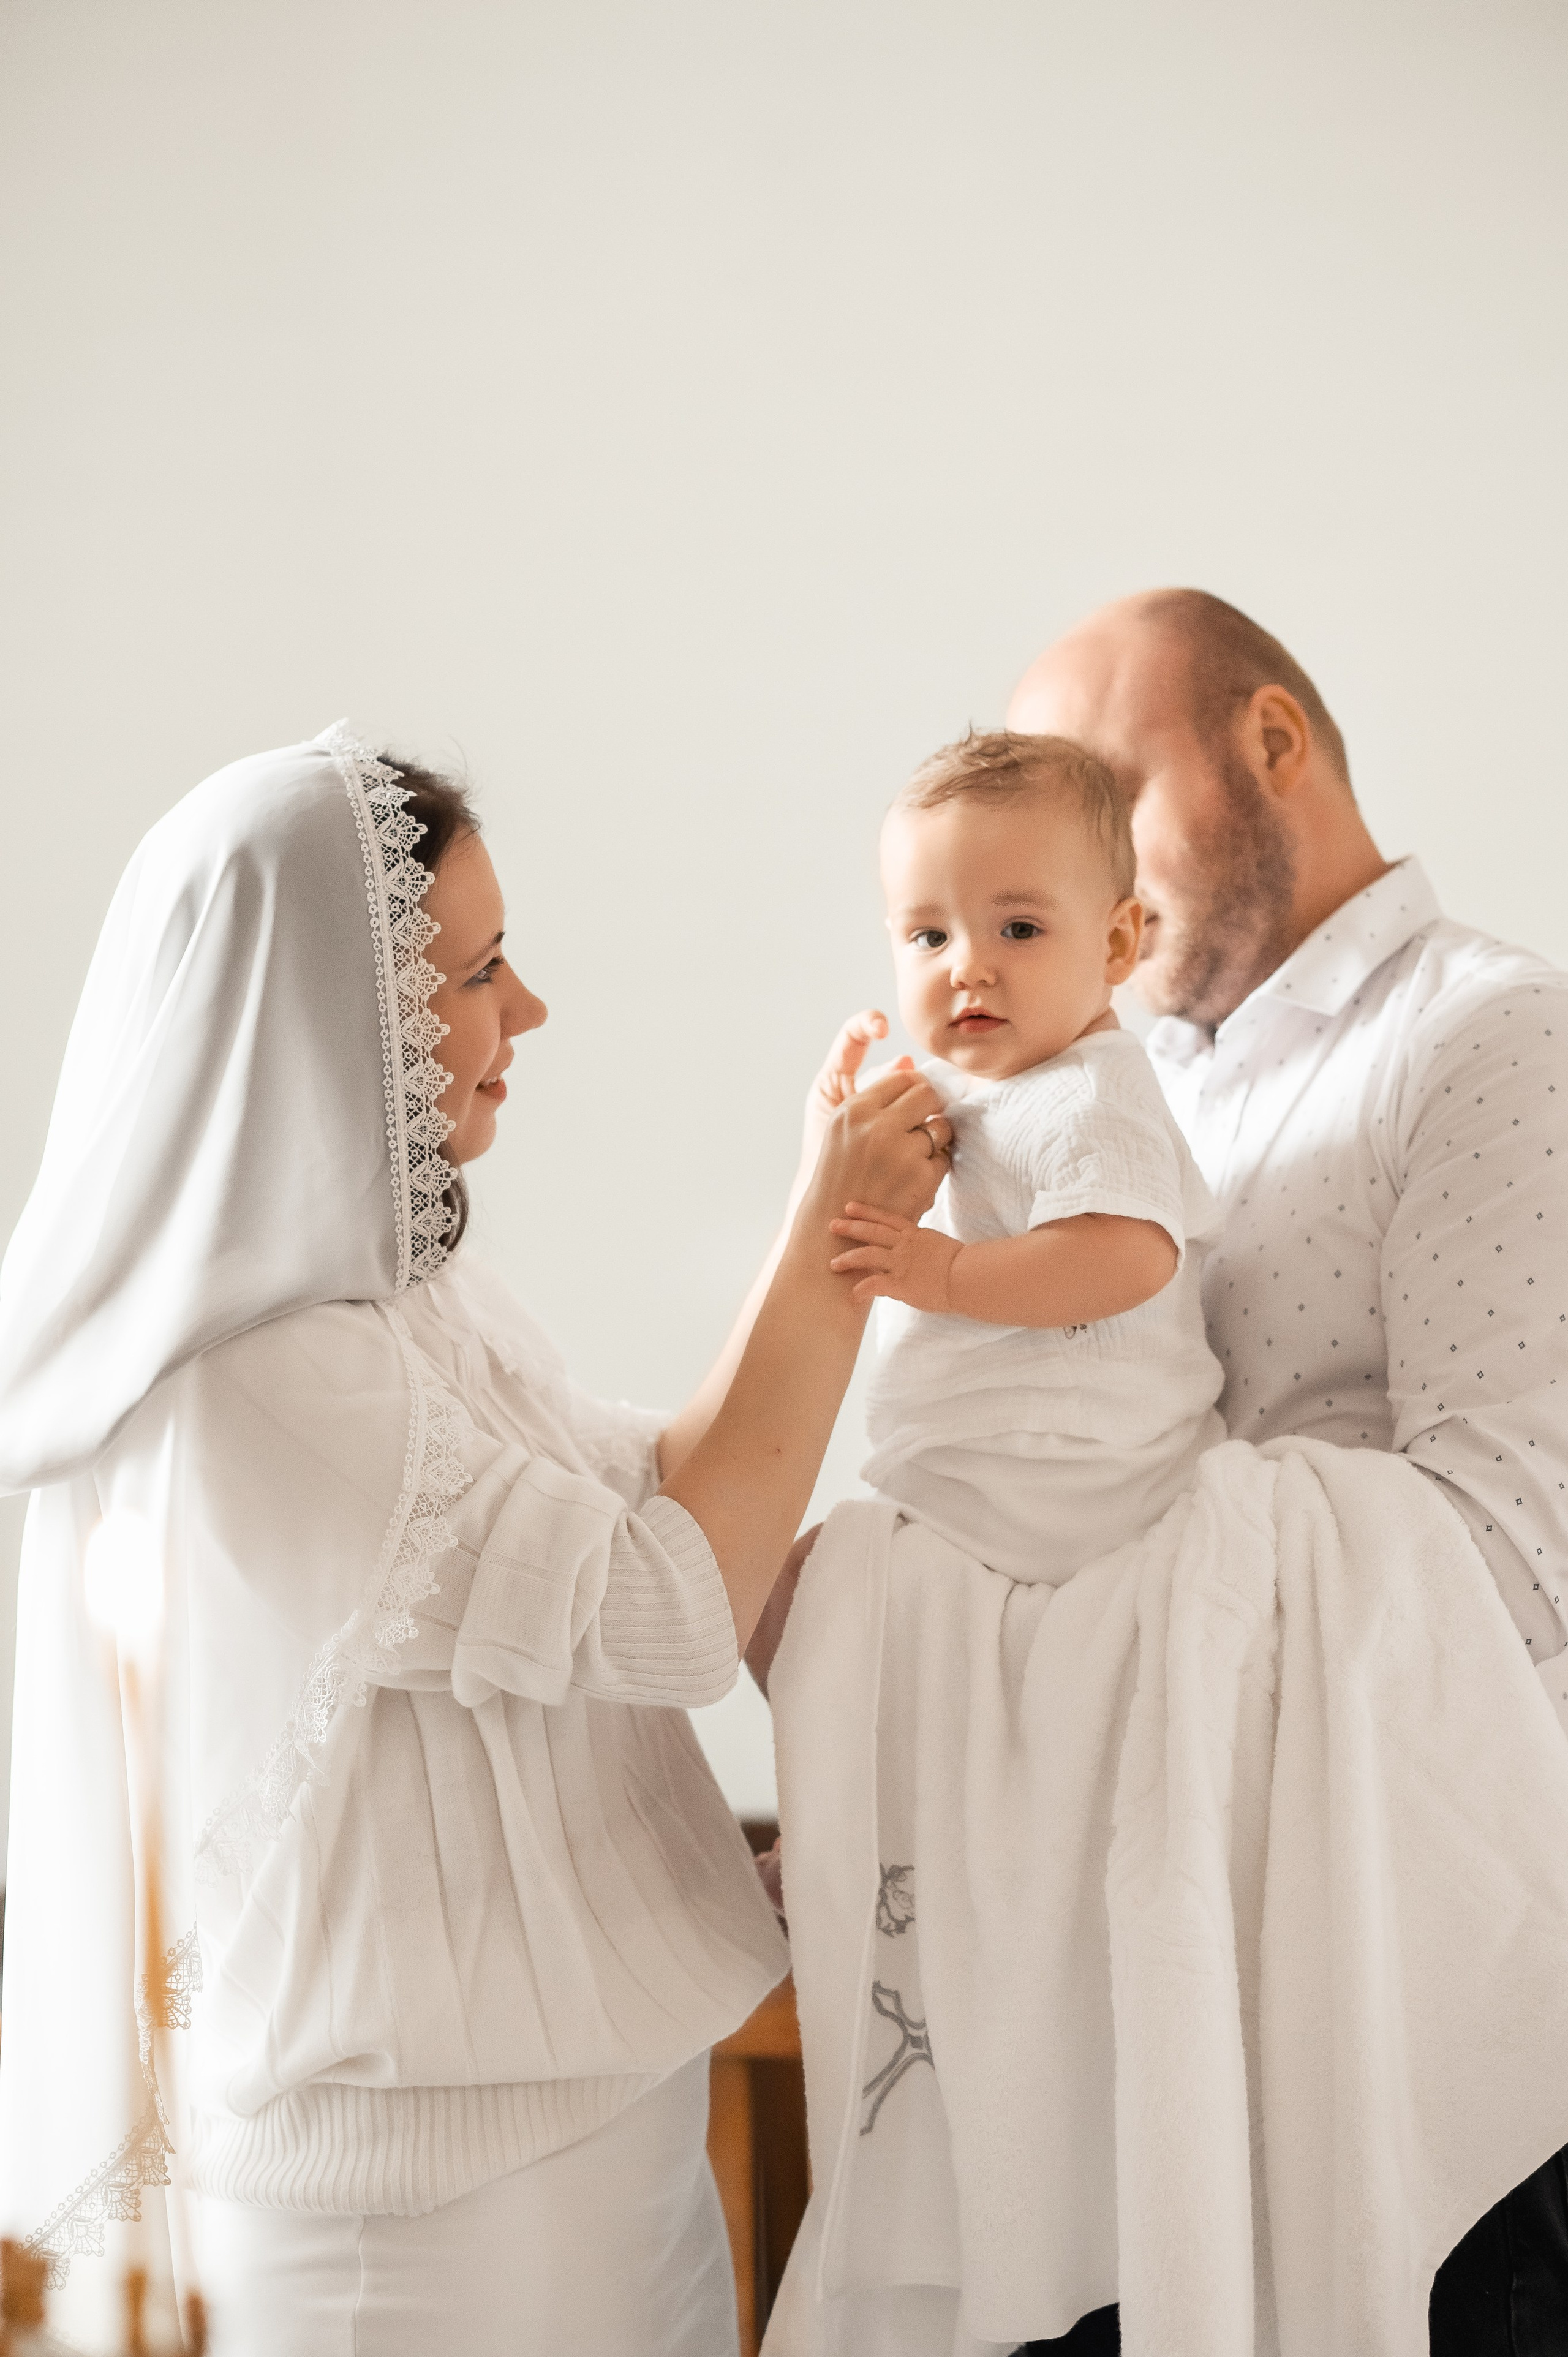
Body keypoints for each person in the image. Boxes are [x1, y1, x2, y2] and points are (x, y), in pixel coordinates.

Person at [0, 725, 950, 2357]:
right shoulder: (257, 1377)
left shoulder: (397, 1298)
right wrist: (833, 1245)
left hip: (584, 2140)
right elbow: (667, 1605)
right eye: (481, 972)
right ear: (329, 1022)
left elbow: (648, 1484)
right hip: (422, 2232)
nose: (527, 1015)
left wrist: (821, 1216)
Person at [1003, 587, 1568, 2355]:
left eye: (1108, 787)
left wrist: (1108, 1586)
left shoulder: (1492, 1038)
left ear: (1272, 743)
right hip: (1168, 1960)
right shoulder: (1122, 1101)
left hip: (1420, 1977)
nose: (1074, 861)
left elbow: (1517, 1545)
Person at [821, 728, 1225, 1587]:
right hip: (993, 1471)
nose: (969, 967)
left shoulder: (1091, 1094)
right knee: (805, 1597)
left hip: (1078, 1472)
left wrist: (952, 1276)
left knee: (813, 1594)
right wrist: (838, 1122)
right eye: (929, 937)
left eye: (1017, 928)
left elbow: (1128, 1254)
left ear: (1118, 945)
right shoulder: (971, 1083)